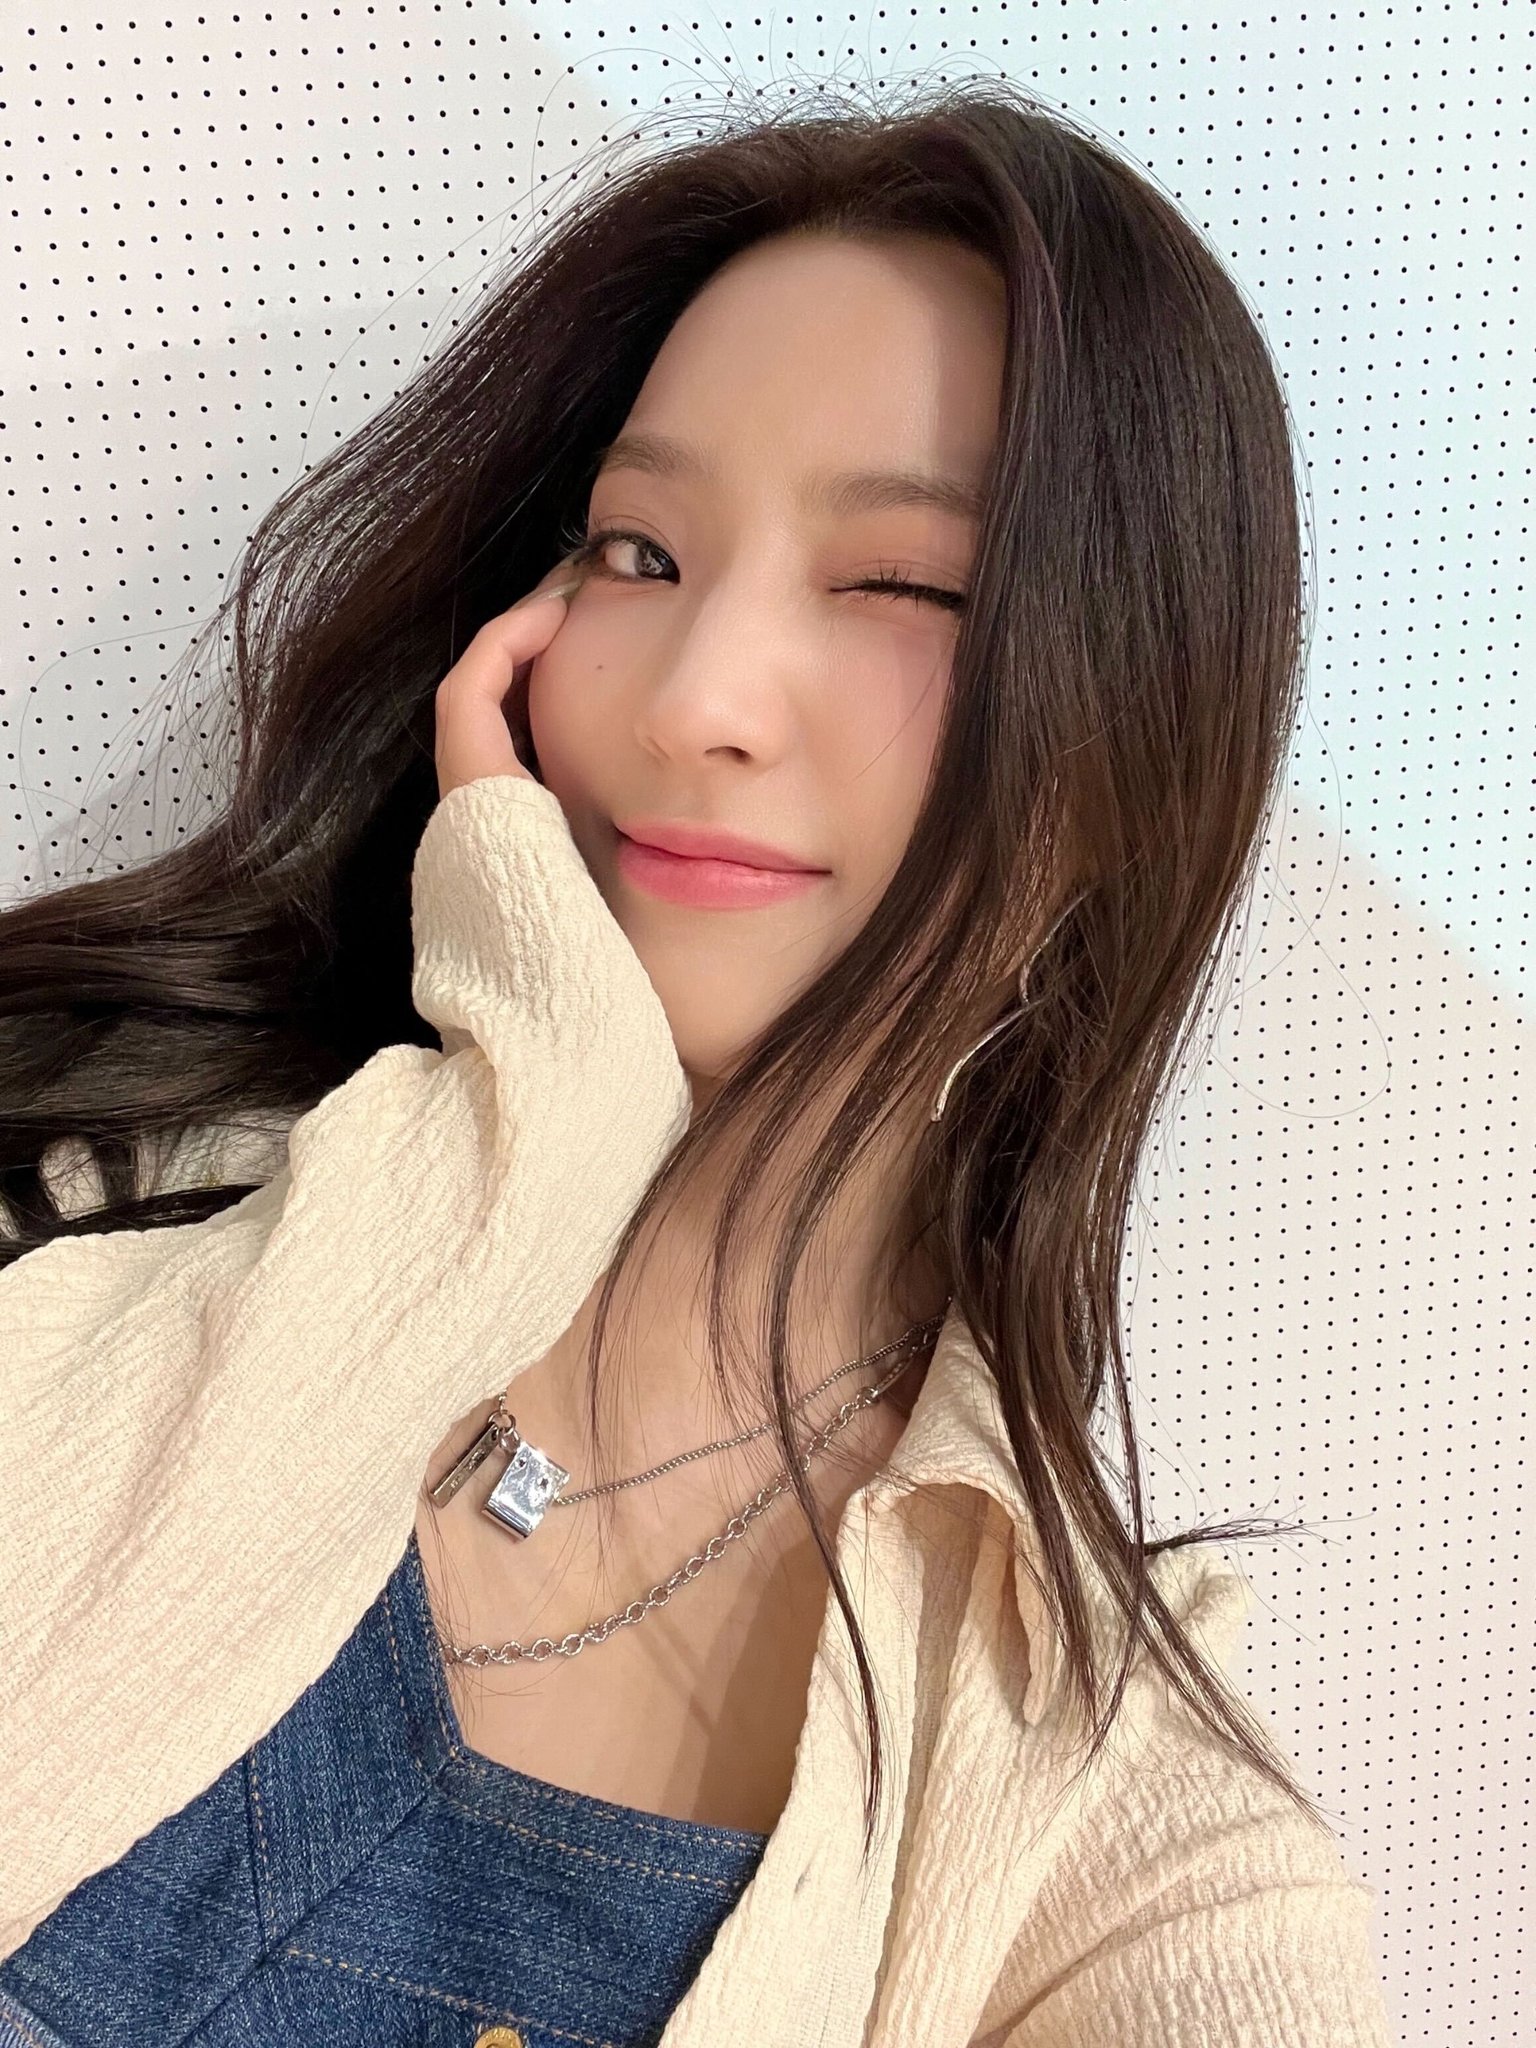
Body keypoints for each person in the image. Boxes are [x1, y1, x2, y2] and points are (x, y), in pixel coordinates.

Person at [0, 80, 1396, 2048]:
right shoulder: (92, 1200)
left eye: (904, 585)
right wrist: (533, 1132)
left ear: (1125, 768)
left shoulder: (1104, 1815)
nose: (697, 700)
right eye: (640, 553)